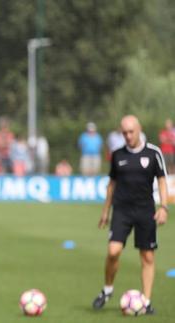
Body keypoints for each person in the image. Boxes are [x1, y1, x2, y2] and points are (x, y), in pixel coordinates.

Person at [93, 115, 168, 314]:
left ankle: (146, 301)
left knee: (147, 257)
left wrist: (164, 207)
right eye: (123, 132)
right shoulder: (117, 155)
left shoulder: (154, 153)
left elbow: (161, 180)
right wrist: (105, 211)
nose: (127, 136)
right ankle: (107, 289)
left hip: (145, 211)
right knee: (113, 251)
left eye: (130, 132)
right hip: (122, 211)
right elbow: (112, 184)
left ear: (139, 129)